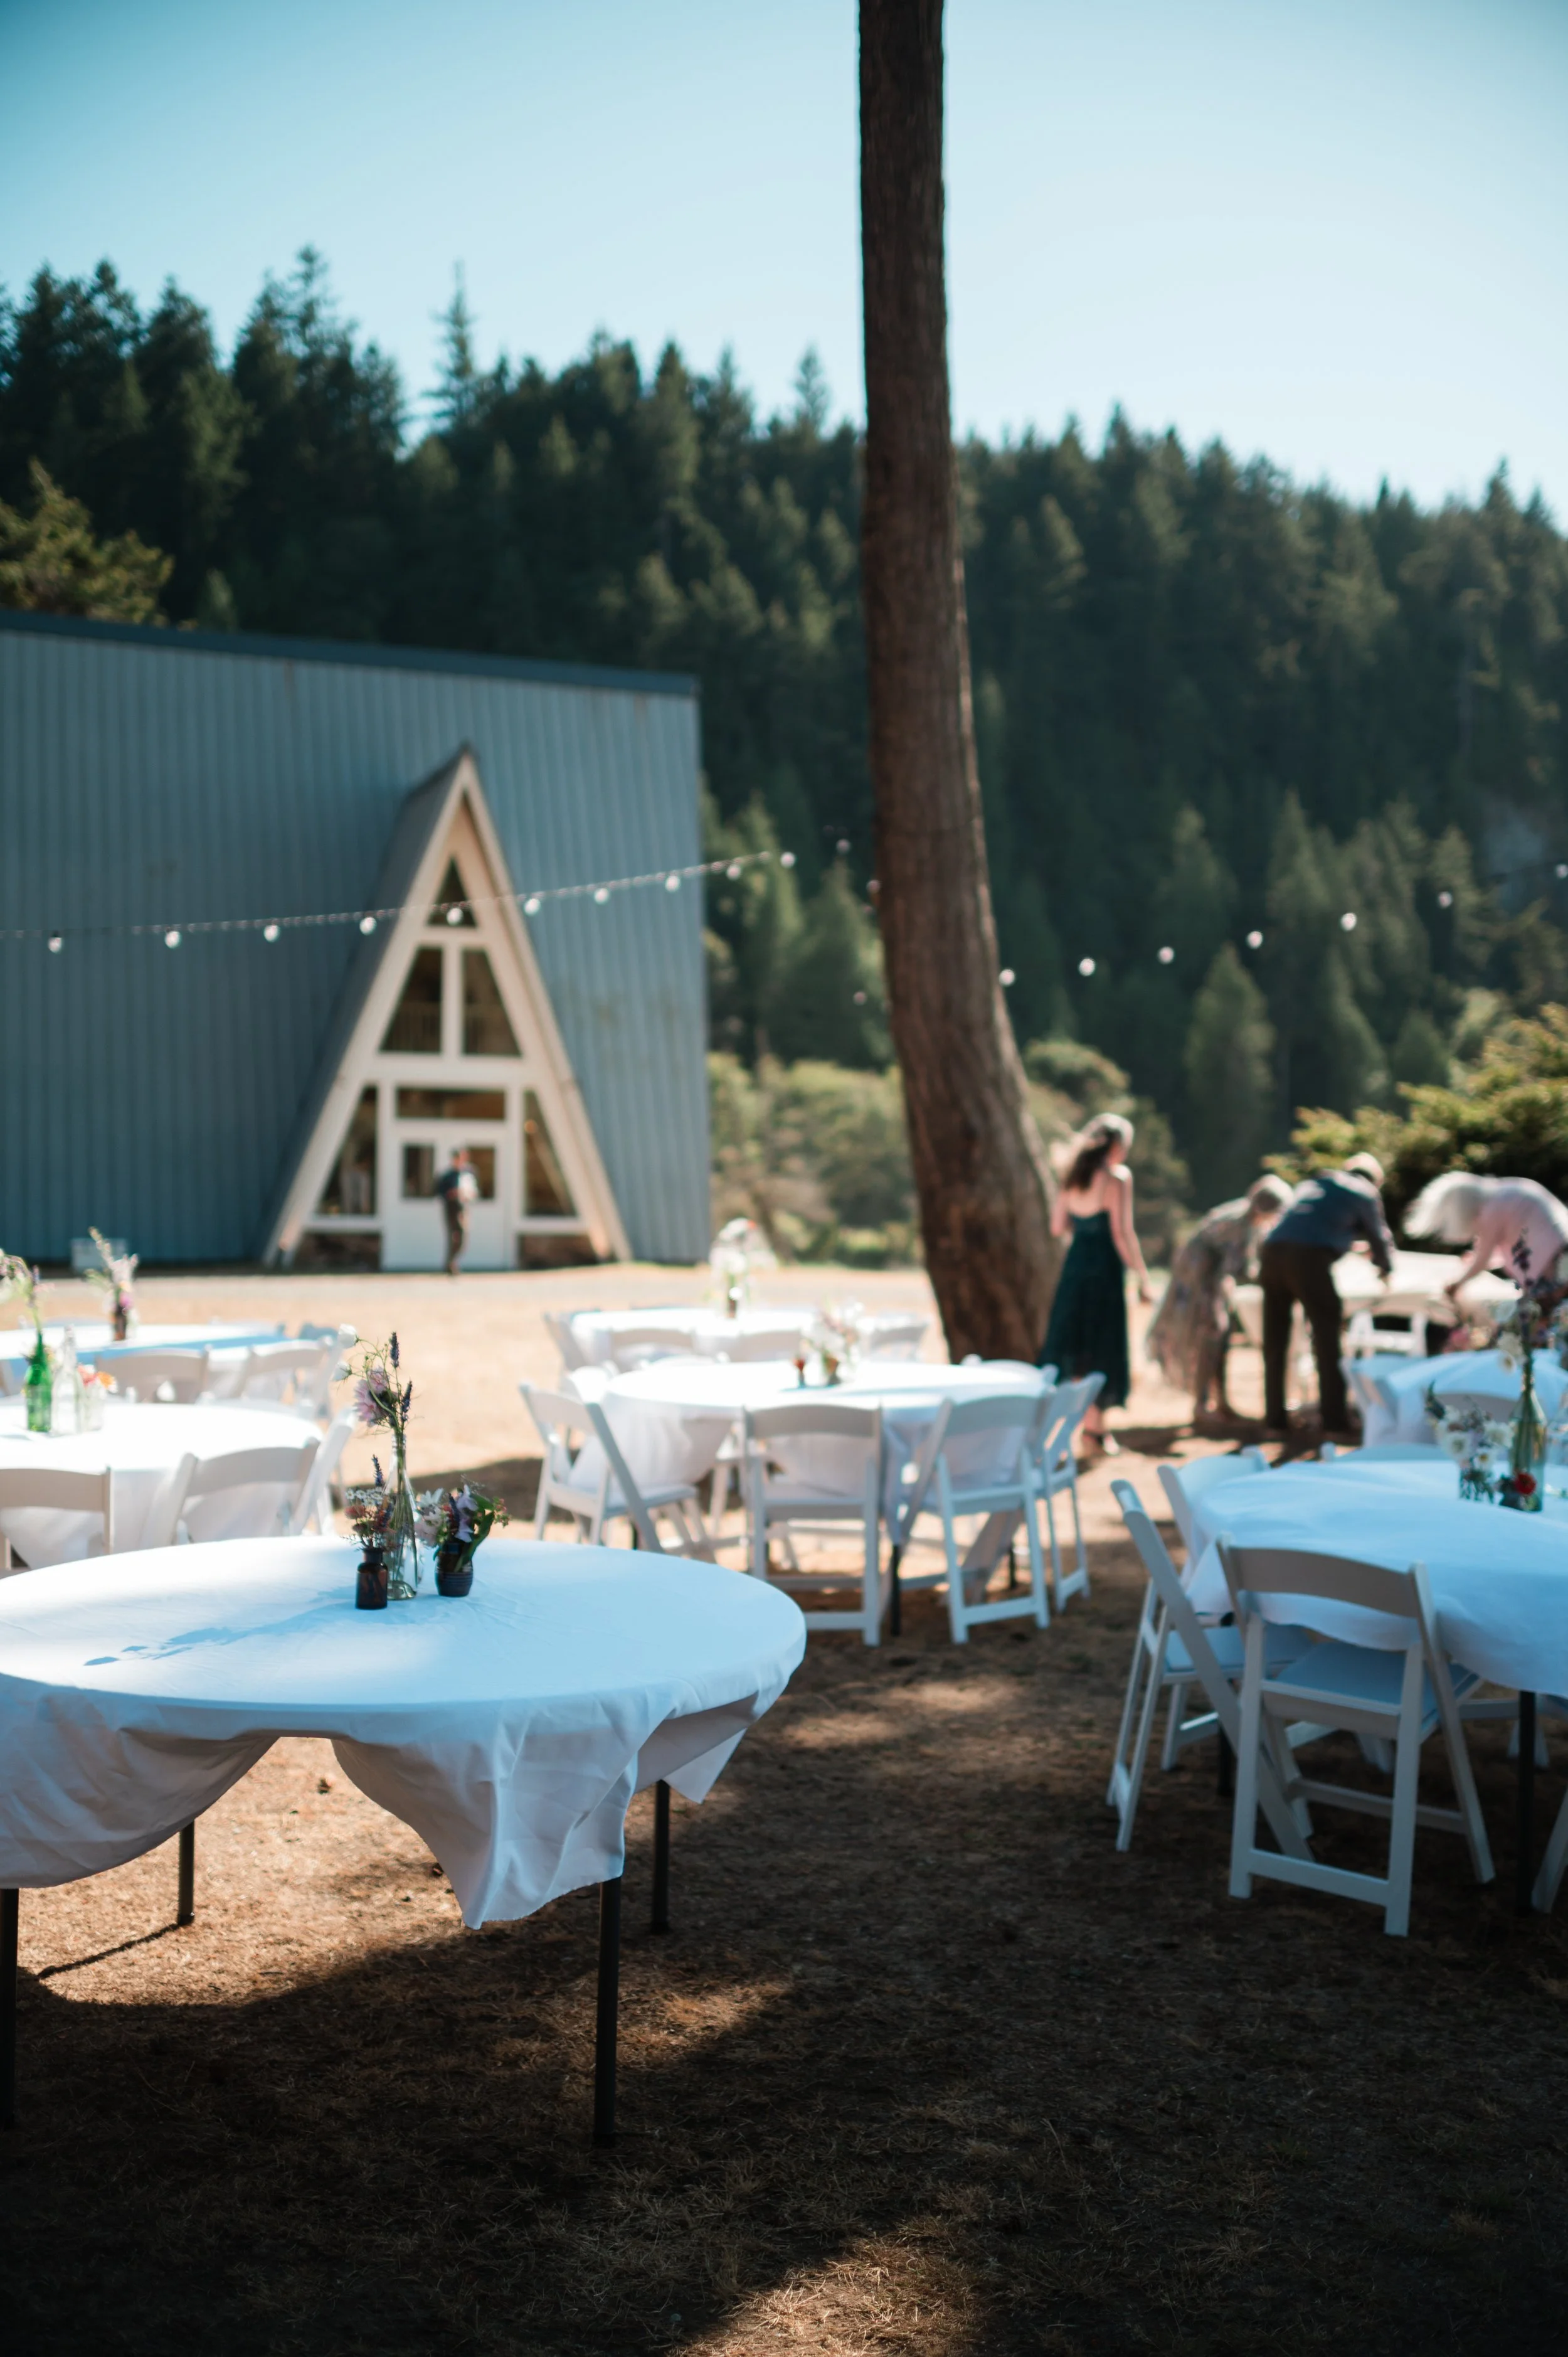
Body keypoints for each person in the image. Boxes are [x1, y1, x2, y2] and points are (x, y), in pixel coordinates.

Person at [1258, 1152, 1394, 1437]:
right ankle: (1334, 1421)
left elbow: (1306, 1224)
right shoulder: (1365, 1192)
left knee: (1275, 1340)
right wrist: (1385, 1268)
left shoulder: (1315, 1184)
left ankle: (1274, 1421)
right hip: (1308, 1258)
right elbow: (1378, 1236)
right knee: (1327, 1337)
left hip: (1272, 1253)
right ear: (1374, 1180)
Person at [1040, 1113, 1153, 1452]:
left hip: (1075, 1268)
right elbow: (1122, 1233)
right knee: (1101, 1346)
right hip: (1104, 1270)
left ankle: (1082, 1429)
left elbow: (1057, 1227)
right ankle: (1094, 1431)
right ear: (1116, 1146)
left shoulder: (1071, 1177)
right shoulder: (1117, 1179)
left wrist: (1083, 1226)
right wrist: (1143, 1277)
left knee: (1073, 1346)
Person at [1146, 1174, 1294, 1419]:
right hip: (1199, 1284)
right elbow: (1238, 1267)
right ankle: (1202, 1403)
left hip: (1214, 1284)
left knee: (1221, 1338)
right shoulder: (1238, 1223)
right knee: (1209, 1339)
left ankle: (1220, 1400)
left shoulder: (1251, 1223)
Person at [1404, 1172, 1568, 1298]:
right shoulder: (1507, 1193)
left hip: (1554, 1265)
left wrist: (1456, 1284)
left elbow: (1482, 1259)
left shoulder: (1493, 1208)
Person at [435, 1148, 479, 1276]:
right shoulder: (447, 1176)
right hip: (451, 1208)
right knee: (452, 1236)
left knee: (463, 1236)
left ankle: (452, 1261)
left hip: (463, 1208)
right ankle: (449, 1265)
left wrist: (469, 1195)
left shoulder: (469, 1174)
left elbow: (474, 1191)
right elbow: (439, 1192)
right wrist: (451, 1194)